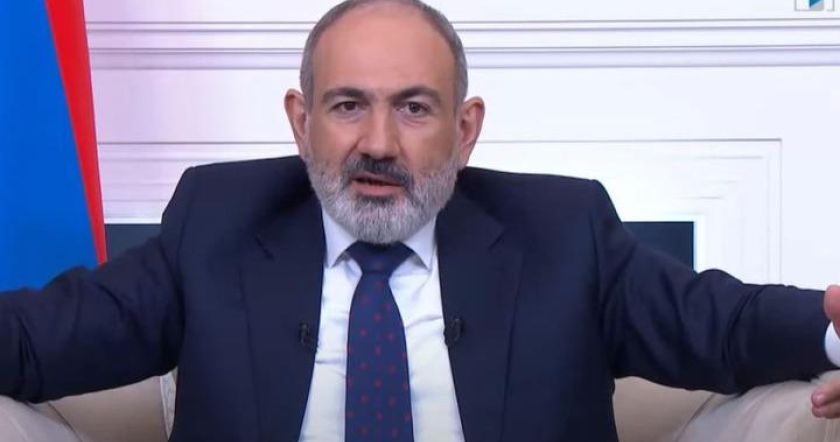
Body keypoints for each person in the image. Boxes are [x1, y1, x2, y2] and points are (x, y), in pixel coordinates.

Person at [2, 0, 840, 440]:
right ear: (300, 121)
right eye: (347, 106)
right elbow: (40, 341)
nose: (377, 143)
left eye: (412, 108)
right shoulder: (216, 226)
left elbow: (724, 325)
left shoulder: (565, 233)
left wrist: (833, 330)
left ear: (465, 129)